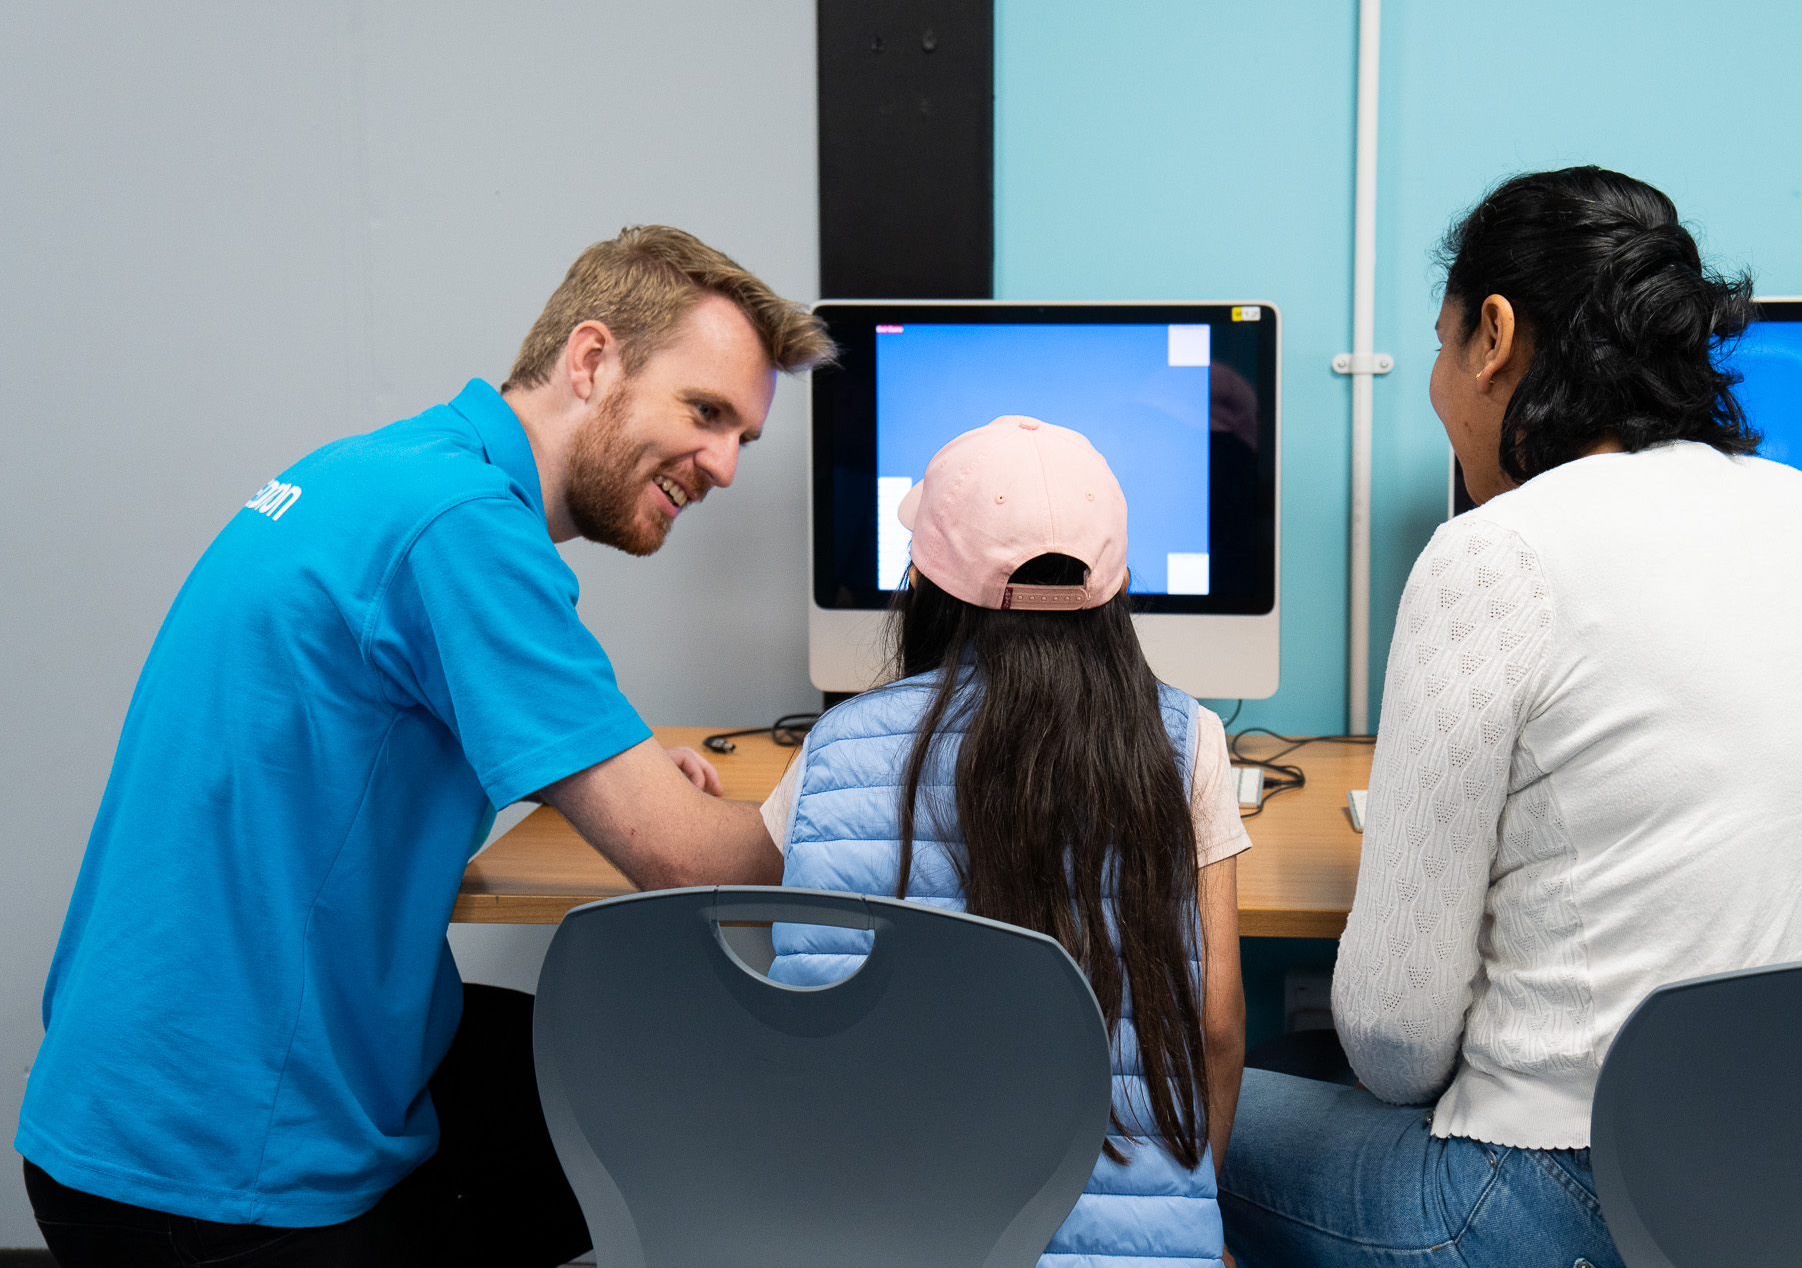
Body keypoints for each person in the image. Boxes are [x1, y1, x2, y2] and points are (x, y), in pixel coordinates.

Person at [18, 226, 835, 1266]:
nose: (721, 465)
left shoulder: (388, 471)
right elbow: (693, 862)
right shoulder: (463, 529)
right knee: (690, 1131)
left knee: (636, 1083)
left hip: (131, 1087)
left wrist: (628, 770)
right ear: (591, 361)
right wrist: (855, 751)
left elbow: (354, 747)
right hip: (218, 1171)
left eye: (742, 440)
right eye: (705, 412)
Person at [1219, 167, 1802, 1267]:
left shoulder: (1492, 553)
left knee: (1158, 1103)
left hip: (1570, 1204)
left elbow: (1389, 1040)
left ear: (1494, 336)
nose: (1435, 381)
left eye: (1439, 340)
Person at [759, 416, 1248, 1268]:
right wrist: (1188, 1206)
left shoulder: (835, 747)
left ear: (922, 585)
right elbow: (1216, 1025)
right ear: (1119, 585)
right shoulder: (1191, 742)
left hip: (881, 1236)